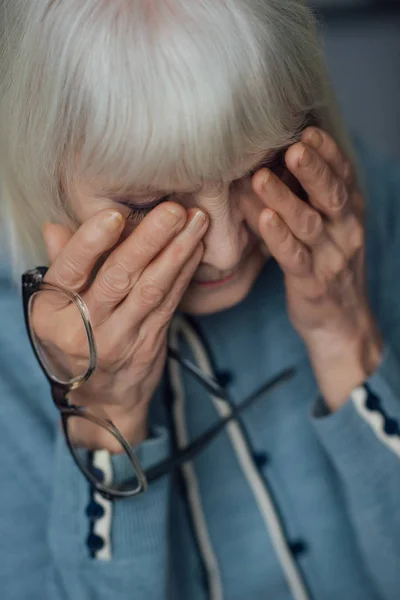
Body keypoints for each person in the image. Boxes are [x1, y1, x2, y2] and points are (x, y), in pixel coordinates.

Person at [0, 1, 399, 599]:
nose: (227, 250)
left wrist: (349, 343)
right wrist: (107, 418)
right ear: (45, 166)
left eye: (262, 166)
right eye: (147, 204)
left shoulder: (361, 211)